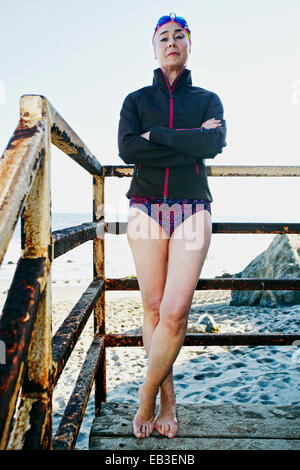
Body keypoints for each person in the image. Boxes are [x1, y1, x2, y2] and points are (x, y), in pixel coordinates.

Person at [117, 12, 227, 439]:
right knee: (152, 307)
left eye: (179, 36)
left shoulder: (208, 99)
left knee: (176, 310)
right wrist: (186, 138)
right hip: (146, 206)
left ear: (189, 44)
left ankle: (145, 394)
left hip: (193, 206)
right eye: (163, 37)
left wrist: (156, 137)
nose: (171, 42)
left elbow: (213, 143)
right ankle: (166, 401)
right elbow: (128, 149)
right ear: (154, 47)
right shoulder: (135, 100)